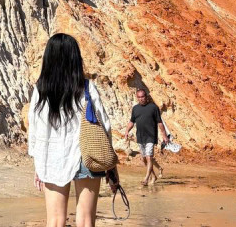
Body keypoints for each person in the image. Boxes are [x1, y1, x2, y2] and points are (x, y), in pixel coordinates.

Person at [27, 33, 119, 227]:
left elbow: (35, 131)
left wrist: (38, 165)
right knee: (86, 221)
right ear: (75, 58)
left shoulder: (40, 90)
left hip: (51, 158)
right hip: (86, 157)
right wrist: (111, 167)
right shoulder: (86, 88)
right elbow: (105, 127)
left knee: (55, 221)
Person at [123, 88, 169, 185]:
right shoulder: (135, 108)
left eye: (143, 96)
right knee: (144, 159)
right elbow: (132, 121)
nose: (141, 99)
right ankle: (154, 175)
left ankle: (146, 178)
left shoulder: (153, 107)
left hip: (151, 136)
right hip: (140, 137)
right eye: (139, 97)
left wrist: (164, 135)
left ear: (146, 96)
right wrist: (127, 131)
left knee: (149, 157)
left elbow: (160, 122)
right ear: (137, 98)